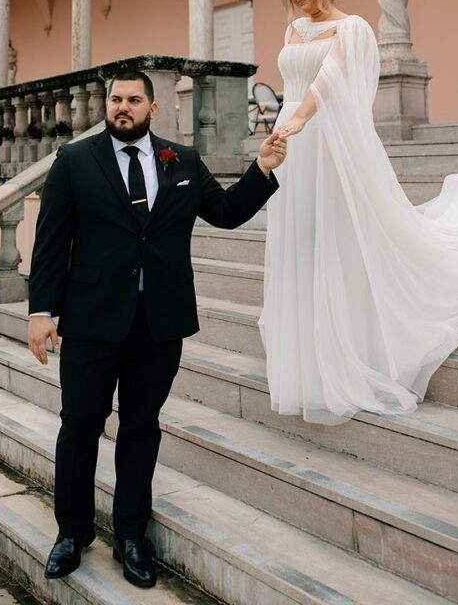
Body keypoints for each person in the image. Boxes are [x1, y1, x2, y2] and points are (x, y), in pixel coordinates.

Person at [28, 69, 284, 587]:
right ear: (108, 104)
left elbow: (228, 213)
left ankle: (131, 536)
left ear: (153, 107)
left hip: (158, 324)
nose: (123, 107)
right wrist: (41, 312)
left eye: (133, 99)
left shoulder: (182, 161)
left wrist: (262, 168)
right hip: (92, 321)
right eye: (116, 99)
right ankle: (72, 532)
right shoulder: (75, 161)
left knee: (142, 429)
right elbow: (51, 242)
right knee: (80, 426)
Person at [261, 0, 458, 425]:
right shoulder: (292, 29)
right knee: (303, 240)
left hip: (329, 143)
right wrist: (285, 127)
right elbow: (293, 81)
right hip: (294, 146)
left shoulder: (353, 28)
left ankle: (353, 345)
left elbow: (328, 82)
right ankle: (311, 348)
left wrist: (296, 121)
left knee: (339, 239)